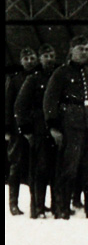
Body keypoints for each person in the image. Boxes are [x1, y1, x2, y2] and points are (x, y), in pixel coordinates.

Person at [44, 36, 88, 219]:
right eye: (80, 49)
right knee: (69, 167)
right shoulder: (61, 73)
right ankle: (62, 208)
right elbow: (50, 101)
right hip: (71, 125)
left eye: (87, 49)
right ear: (71, 50)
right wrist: (53, 127)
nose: (84, 52)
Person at [14, 45, 57, 218]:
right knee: (40, 169)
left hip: (58, 129)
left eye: (51, 55)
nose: (49, 59)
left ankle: (57, 206)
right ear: (40, 59)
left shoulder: (59, 77)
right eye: (45, 56)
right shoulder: (33, 79)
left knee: (57, 168)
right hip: (39, 129)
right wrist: (26, 130)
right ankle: (38, 207)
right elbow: (20, 106)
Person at [6, 47, 38, 216]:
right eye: (26, 58)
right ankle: (13, 203)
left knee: (35, 165)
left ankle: (36, 203)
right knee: (16, 165)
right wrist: (8, 129)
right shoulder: (15, 80)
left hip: (35, 128)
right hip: (18, 130)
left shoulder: (39, 78)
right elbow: (8, 105)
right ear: (21, 61)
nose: (30, 61)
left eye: (32, 57)